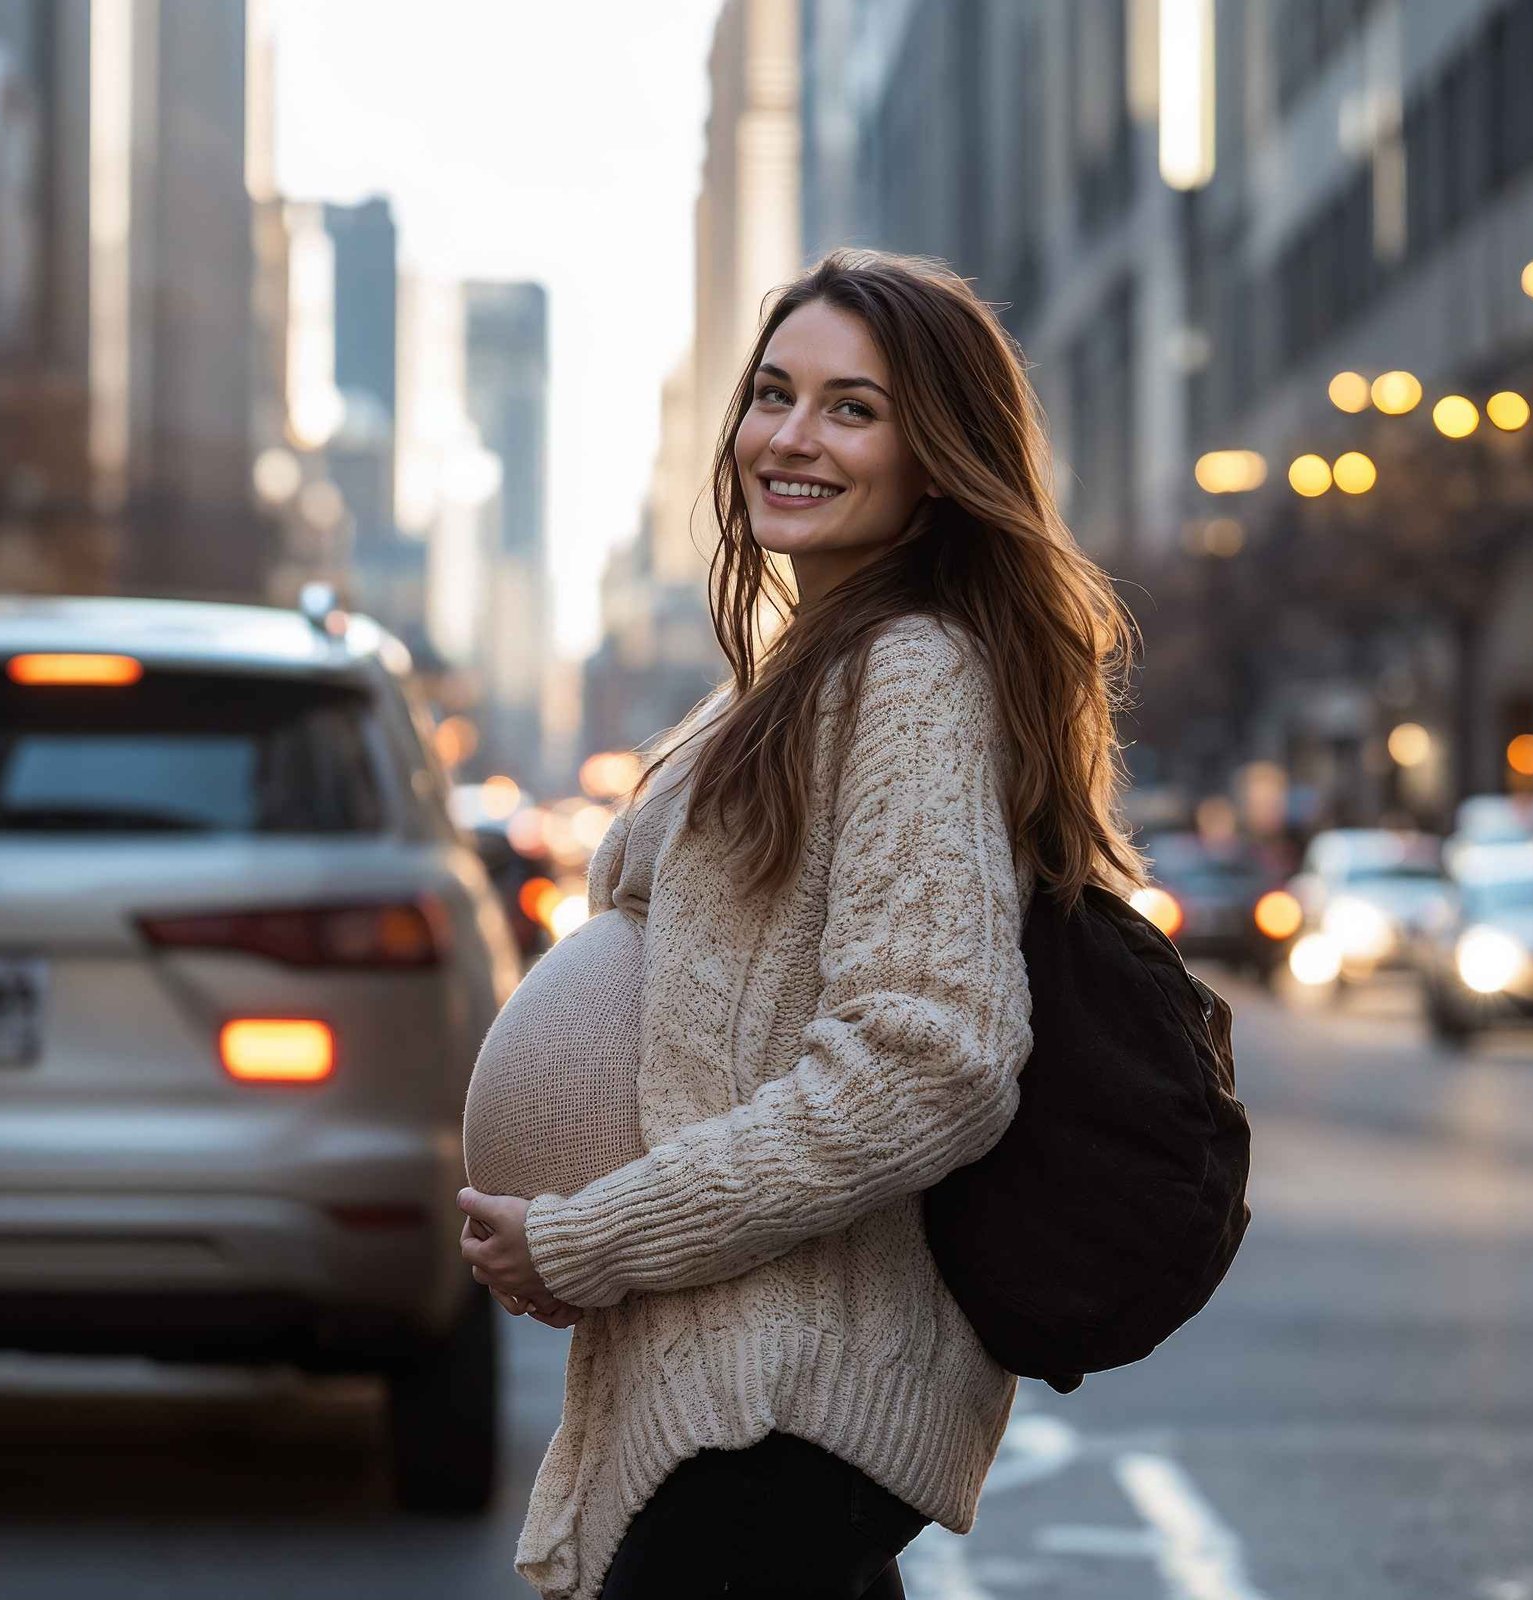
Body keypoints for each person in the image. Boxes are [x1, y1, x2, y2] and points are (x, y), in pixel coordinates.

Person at [457, 249, 1147, 1600]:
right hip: (744, 1371)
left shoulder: (911, 672)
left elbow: (928, 1061)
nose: (789, 436)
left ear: (938, 454)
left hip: (793, 1390)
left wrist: (593, 1236)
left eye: (852, 407)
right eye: (774, 394)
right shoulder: (804, 667)